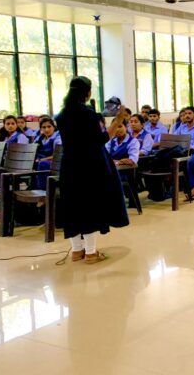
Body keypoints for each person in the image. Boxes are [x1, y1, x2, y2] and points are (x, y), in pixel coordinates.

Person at [55, 76, 129, 264]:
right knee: (89, 206)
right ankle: (90, 252)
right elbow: (101, 139)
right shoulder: (87, 114)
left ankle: (76, 251)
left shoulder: (61, 115)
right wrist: (118, 120)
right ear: (87, 93)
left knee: (72, 206)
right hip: (89, 165)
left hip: (69, 164)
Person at [33, 117, 61, 188]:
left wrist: (42, 160)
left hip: (54, 163)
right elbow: (32, 149)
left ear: (54, 127)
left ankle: (43, 190)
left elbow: (57, 156)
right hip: (40, 161)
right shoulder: (40, 138)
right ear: (41, 129)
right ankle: (33, 187)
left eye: (49, 126)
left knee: (42, 164)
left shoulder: (57, 138)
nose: (47, 129)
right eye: (44, 127)